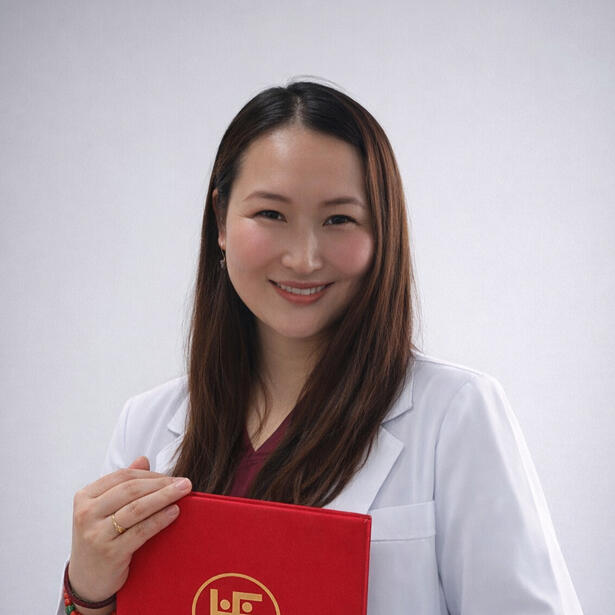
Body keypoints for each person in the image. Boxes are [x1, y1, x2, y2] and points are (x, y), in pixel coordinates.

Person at [56, 80, 584, 615]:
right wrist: (87, 592)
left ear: (382, 232)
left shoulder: (454, 415)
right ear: (221, 220)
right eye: (271, 214)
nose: (304, 258)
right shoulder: (146, 426)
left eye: (339, 220)